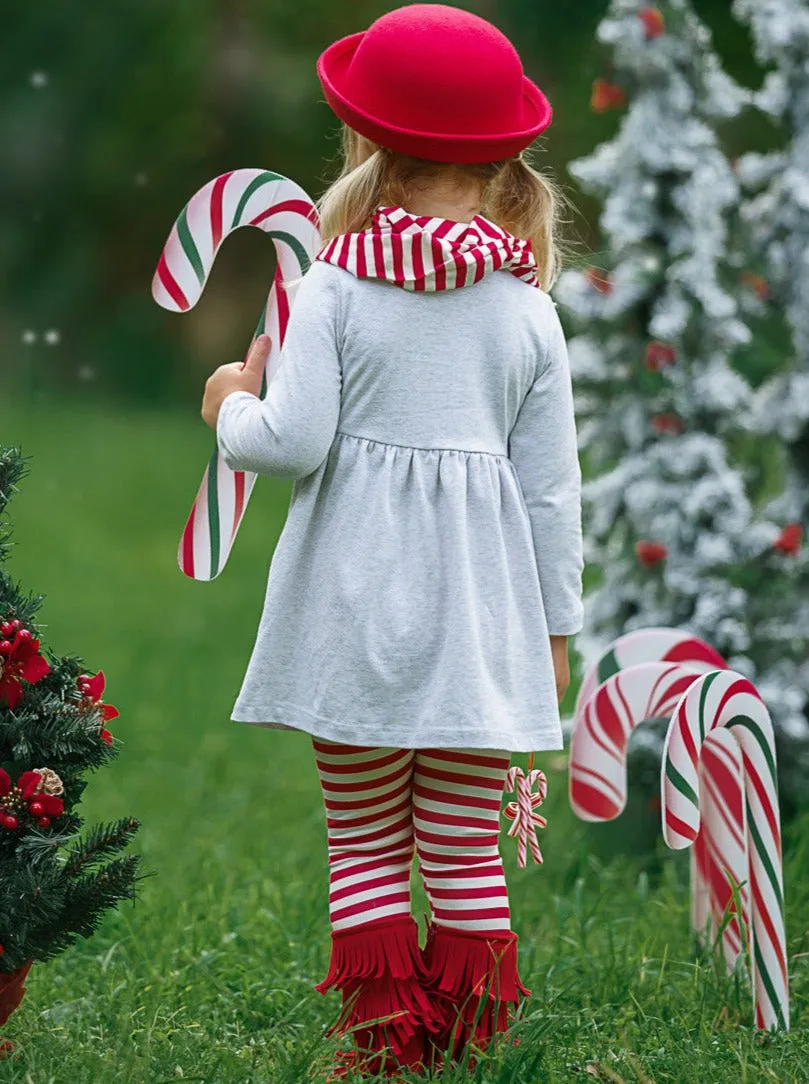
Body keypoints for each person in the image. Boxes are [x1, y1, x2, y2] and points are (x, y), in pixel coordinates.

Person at [200, 4, 584, 1078]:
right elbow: (551, 494)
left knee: (365, 838)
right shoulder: (526, 311)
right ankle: (469, 1046)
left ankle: (382, 1046)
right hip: (475, 628)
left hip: (350, 614)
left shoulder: (331, 289)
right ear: (506, 154)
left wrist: (229, 402)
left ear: (362, 143)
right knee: (464, 842)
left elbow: (290, 440)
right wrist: (555, 632)